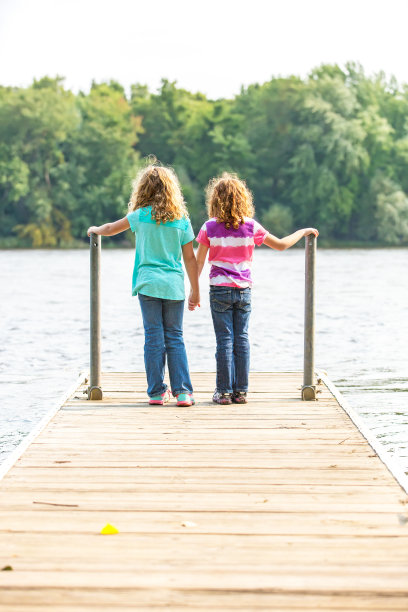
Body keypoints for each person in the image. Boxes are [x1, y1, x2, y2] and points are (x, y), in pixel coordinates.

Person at [195, 172, 318, 405]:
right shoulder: (250, 226)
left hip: (219, 290)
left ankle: (223, 392)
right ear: (242, 199)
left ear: (215, 200)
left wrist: (194, 291)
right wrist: (303, 232)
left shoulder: (209, 227)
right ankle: (240, 392)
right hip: (243, 291)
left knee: (224, 340)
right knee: (241, 338)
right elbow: (281, 245)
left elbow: (199, 262)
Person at [87, 165, 200, 407]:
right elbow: (190, 258)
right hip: (173, 287)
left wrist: (95, 230)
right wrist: (196, 290)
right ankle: (182, 393)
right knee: (175, 337)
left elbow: (110, 229)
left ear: (143, 190)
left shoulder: (140, 216)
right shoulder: (181, 220)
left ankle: (157, 392)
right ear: (172, 191)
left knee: (153, 337)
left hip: (148, 284)